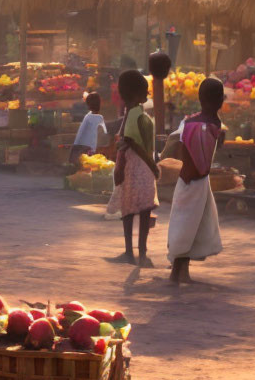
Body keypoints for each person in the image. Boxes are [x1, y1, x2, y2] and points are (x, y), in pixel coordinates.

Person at [167, 78, 225, 284]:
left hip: (188, 181)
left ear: (199, 99)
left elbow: (177, 144)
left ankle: (181, 270)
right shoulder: (215, 125)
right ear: (221, 100)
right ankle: (177, 272)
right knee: (188, 224)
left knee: (188, 224)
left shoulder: (189, 122)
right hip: (197, 181)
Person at [107, 70, 159, 266]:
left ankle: (133, 252)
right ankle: (140, 253)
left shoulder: (136, 116)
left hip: (138, 167)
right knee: (139, 210)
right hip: (140, 168)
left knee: (130, 210)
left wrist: (153, 167)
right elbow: (143, 146)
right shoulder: (137, 116)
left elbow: (137, 145)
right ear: (138, 94)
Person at [69, 92, 107, 166]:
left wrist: (75, 147)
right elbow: (104, 133)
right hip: (94, 148)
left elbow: (80, 134)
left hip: (86, 148)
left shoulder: (88, 117)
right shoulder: (100, 118)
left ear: (88, 105)